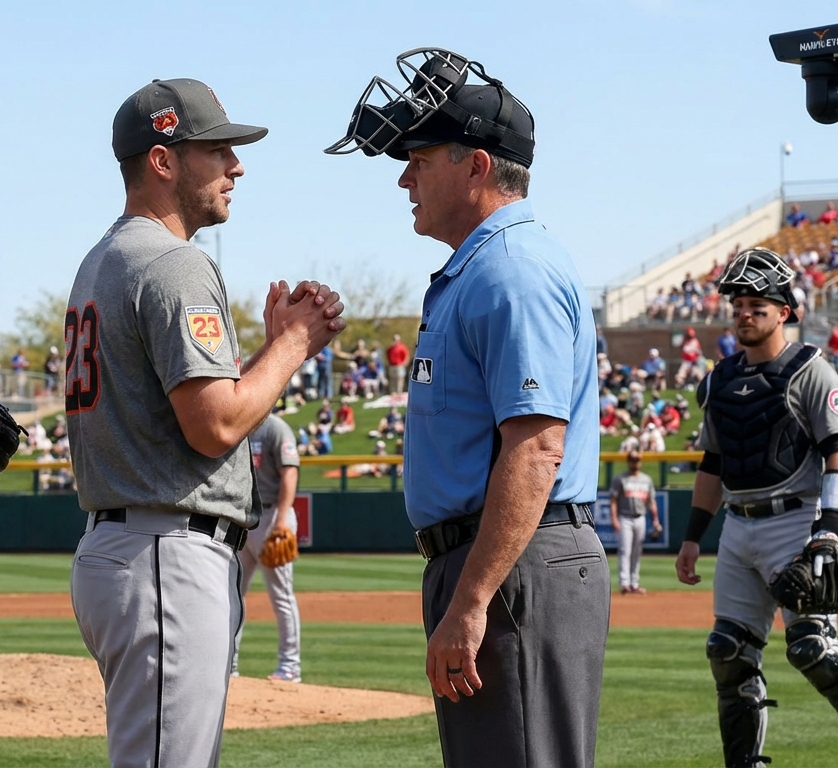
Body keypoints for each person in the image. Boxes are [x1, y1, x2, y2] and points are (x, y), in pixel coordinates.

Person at [326, 48, 607, 766]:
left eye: (420, 156)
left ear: (476, 164)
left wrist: (474, 597)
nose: (404, 175)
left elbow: (537, 447)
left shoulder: (513, 271)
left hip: (516, 562)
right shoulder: (479, 269)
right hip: (498, 559)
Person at [66, 77, 344, 768]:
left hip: (128, 546)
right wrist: (292, 347)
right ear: (164, 160)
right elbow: (215, 427)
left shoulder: (103, 257)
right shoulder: (174, 262)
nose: (236, 165)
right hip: (164, 553)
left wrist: (263, 353)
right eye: (217, 150)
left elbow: (180, 405)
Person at [673, 248, 838, 768]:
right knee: (727, 652)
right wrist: (694, 535)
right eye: (738, 304)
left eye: (756, 305)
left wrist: (828, 529)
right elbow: (713, 463)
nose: (744, 313)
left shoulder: (811, 369)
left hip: (797, 520)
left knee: (813, 648)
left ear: (784, 311)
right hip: (738, 527)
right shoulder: (719, 379)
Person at [233, 411, 303, 682]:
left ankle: (290, 666)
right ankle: (228, 664)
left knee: (281, 596)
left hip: (274, 517)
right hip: (244, 519)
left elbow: (289, 474)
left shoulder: (276, 429)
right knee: (232, 594)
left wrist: (282, 520)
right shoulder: (241, 424)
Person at [609, 450, 659, 596]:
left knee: (637, 552)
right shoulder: (620, 479)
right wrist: (614, 518)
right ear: (628, 461)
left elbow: (651, 501)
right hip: (625, 518)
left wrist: (655, 518)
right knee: (625, 550)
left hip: (640, 518)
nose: (635, 462)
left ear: (641, 461)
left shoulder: (646, 480)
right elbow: (613, 501)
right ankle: (624, 584)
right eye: (632, 459)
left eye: (637, 459)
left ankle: (634, 583)